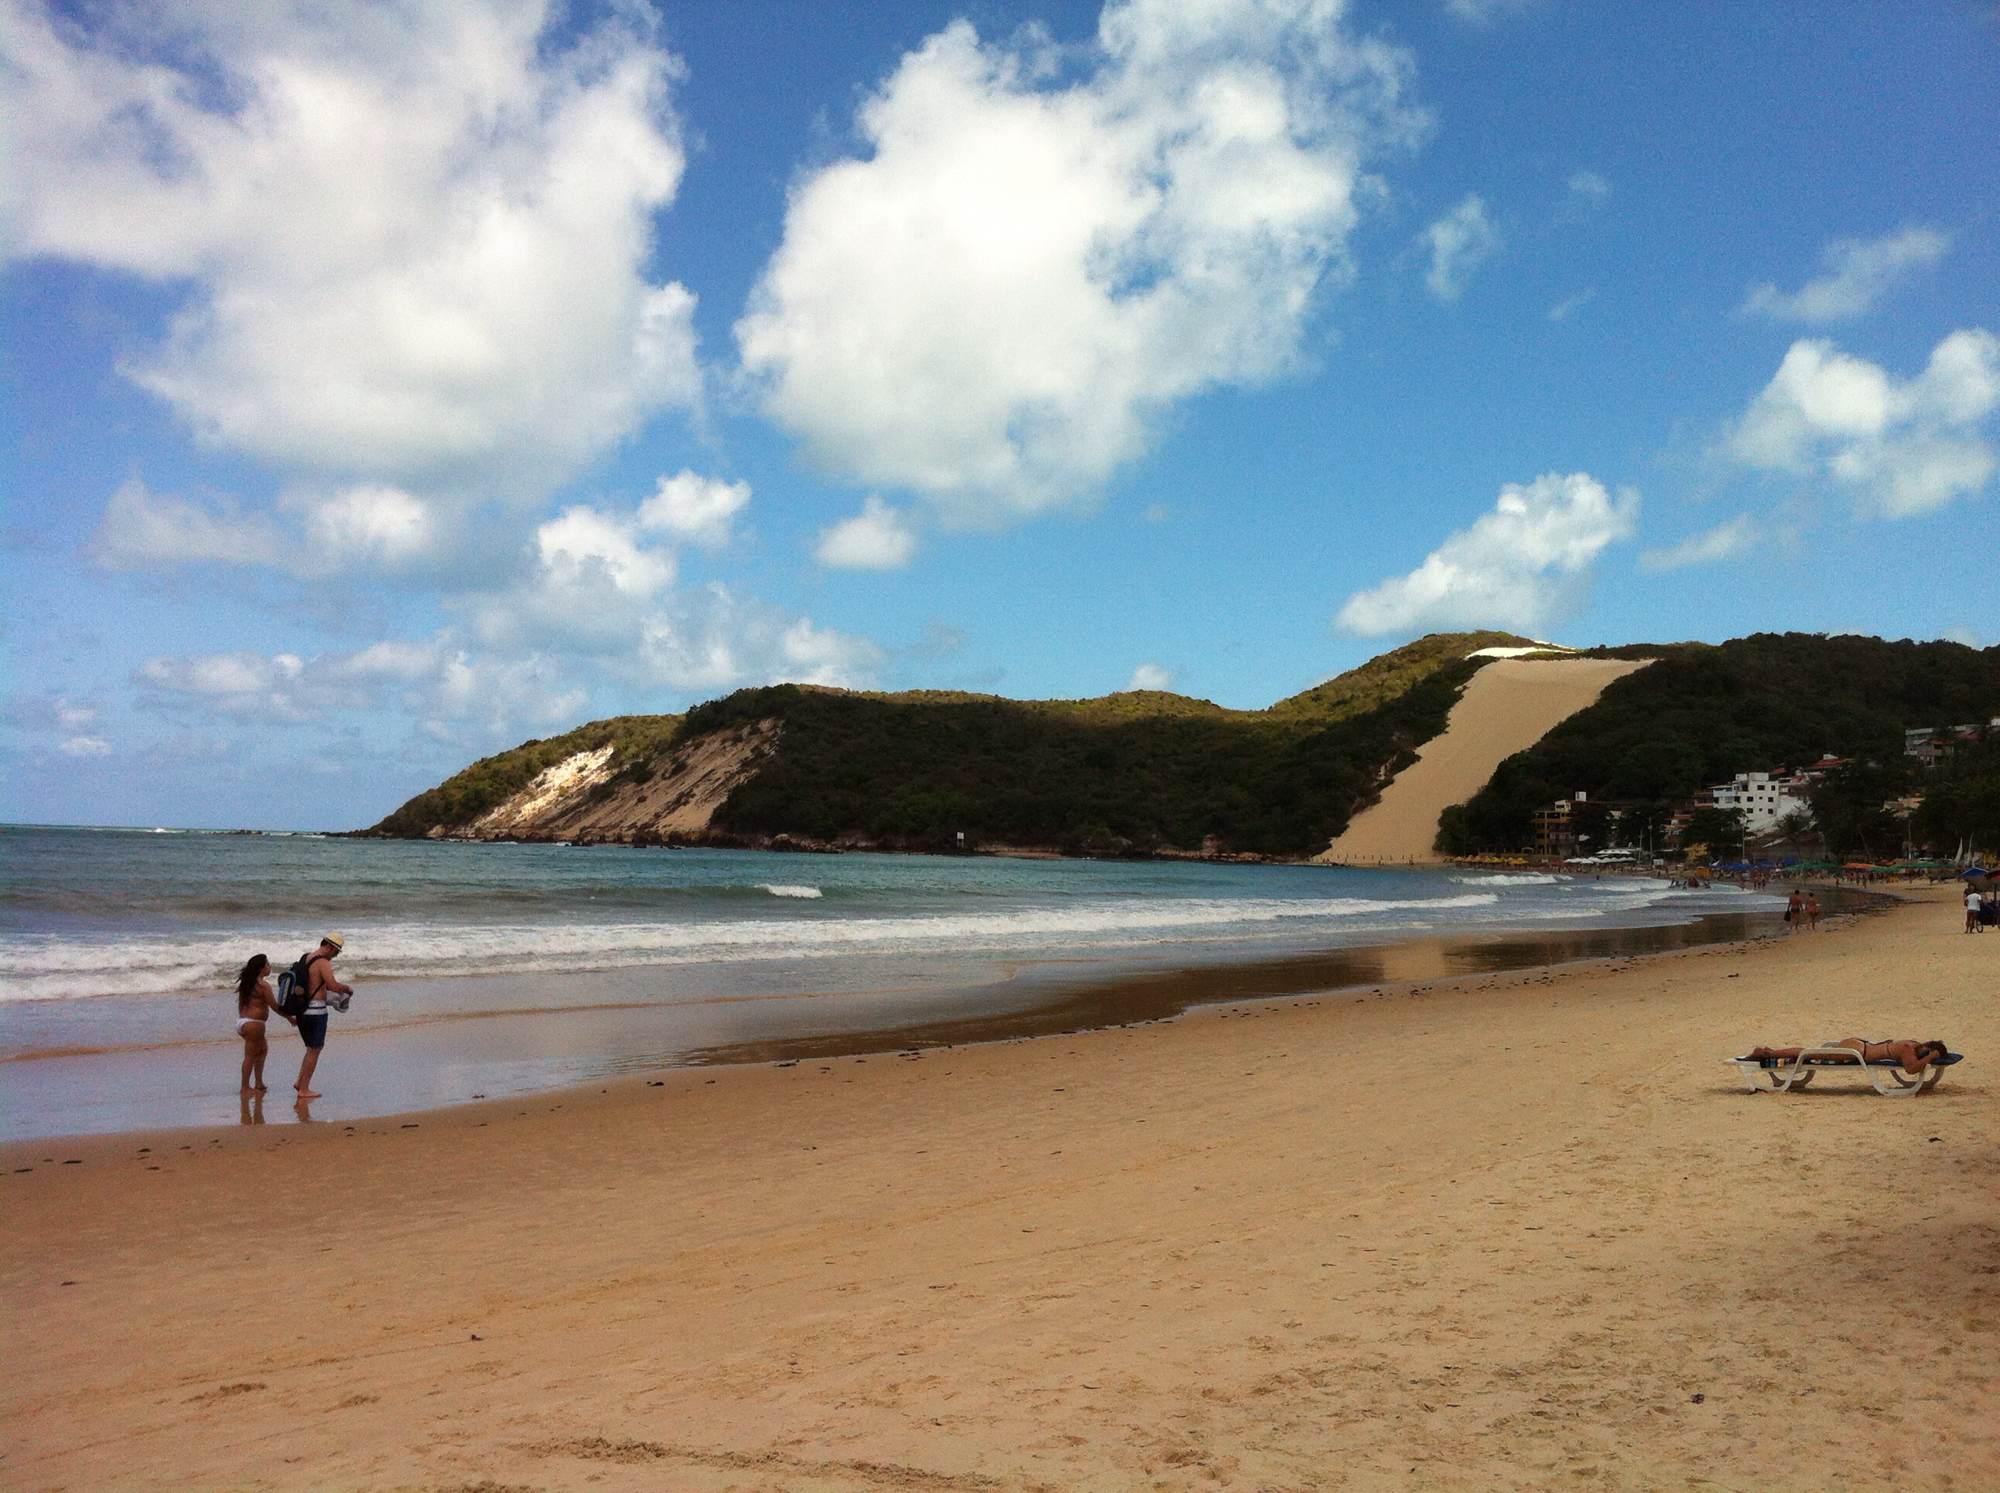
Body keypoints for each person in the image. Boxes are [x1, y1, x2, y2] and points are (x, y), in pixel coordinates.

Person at [293, 933, 351, 1099]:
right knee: (315, 1050)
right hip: (316, 1011)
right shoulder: (323, 962)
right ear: (330, 947)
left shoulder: (306, 958)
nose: (335, 955)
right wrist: (347, 988)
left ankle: (299, 1082)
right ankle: (304, 1089)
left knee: (310, 1049)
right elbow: (332, 985)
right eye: (337, 952)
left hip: (302, 1010)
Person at [1746, 1037, 1949, 1073]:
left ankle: (1768, 1051)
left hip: (1860, 1047)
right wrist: (1930, 1058)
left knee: (1811, 1053)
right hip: (1857, 1052)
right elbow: (1911, 1069)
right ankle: (1767, 1053)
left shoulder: (1912, 1044)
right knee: (1808, 1053)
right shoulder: (1908, 1048)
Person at [234, 953, 284, 1093]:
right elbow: (274, 1006)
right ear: (261, 968)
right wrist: (290, 1018)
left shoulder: (247, 983)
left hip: (243, 1022)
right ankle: (245, 1086)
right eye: (267, 964)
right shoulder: (263, 986)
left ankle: (259, 1083)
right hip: (254, 1024)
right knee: (250, 1055)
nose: (270, 967)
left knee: (262, 1050)